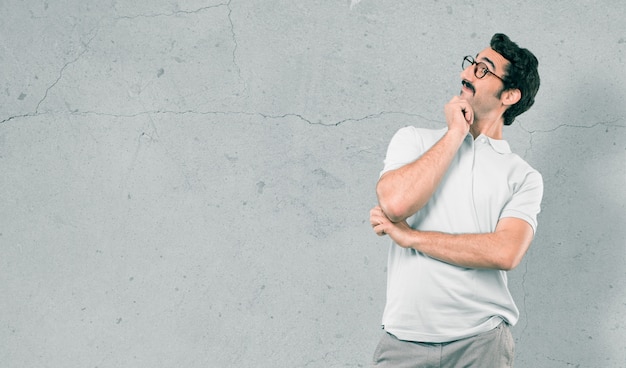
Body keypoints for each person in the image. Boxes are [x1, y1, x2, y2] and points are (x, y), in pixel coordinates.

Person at [369, 33, 542, 367]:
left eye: (483, 70)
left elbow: (505, 252)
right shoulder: (413, 140)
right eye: (471, 64)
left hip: (481, 344)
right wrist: (454, 135)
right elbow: (395, 204)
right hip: (403, 342)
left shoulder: (522, 176)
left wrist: (411, 237)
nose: (467, 74)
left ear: (510, 94)